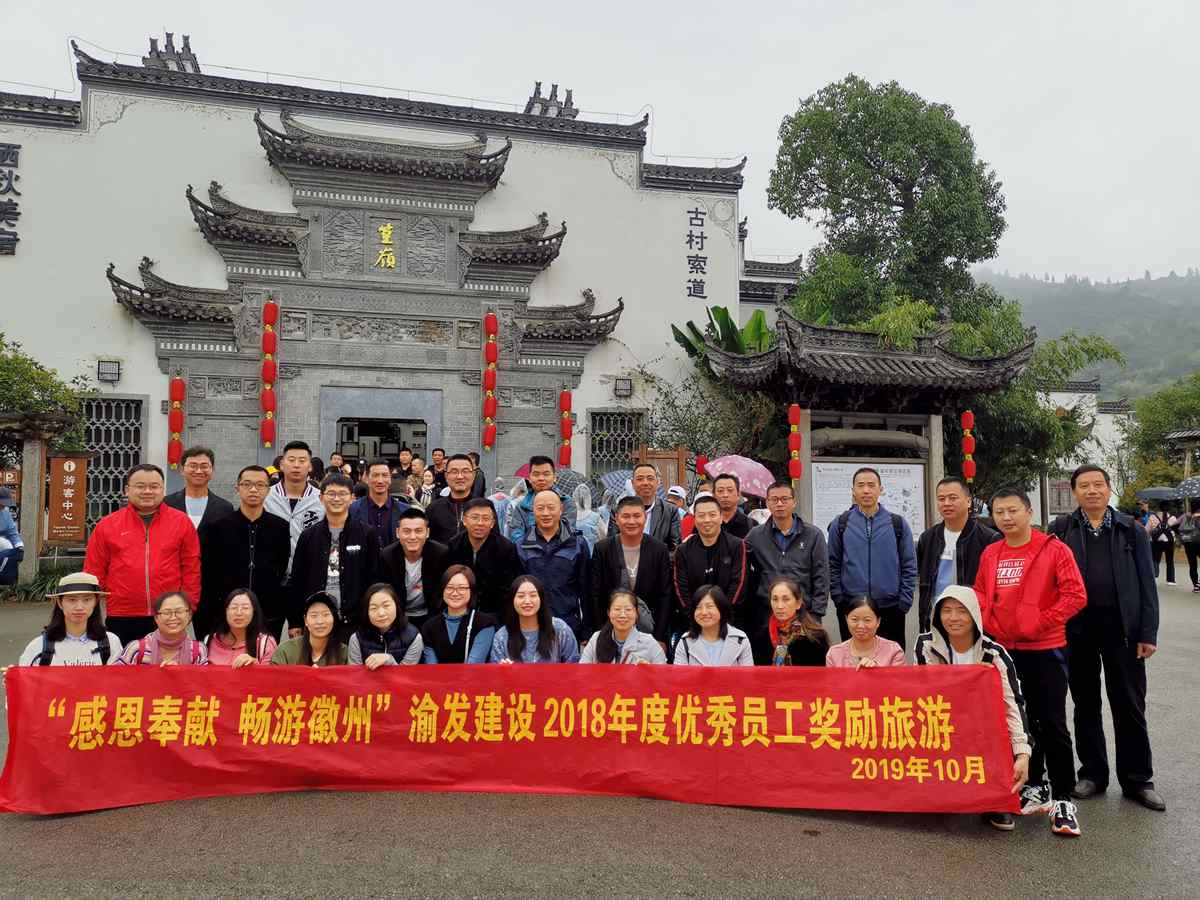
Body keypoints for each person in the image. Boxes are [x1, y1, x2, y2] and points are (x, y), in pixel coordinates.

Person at [1048, 465, 1165, 811]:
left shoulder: (1131, 529)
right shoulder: (1062, 529)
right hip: (1077, 632)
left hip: (1123, 632)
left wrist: (1148, 632)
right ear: (1074, 492)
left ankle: (1138, 779)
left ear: (1109, 488)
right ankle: (1093, 774)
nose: (1092, 491)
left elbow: (1147, 585)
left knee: (1129, 705)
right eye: (1084, 485)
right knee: (1085, 704)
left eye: (1098, 484)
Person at [974, 485, 1087, 837]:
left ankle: (1064, 796)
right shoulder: (991, 553)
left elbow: (1075, 595)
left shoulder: (1054, 549)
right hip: (1005, 650)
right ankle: (1034, 783)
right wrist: (989, 625)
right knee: (1019, 723)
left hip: (1046, 649)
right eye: (999, 512)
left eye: (1013, 510)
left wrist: (1039, 622)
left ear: (1028, 512)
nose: (1006, 518)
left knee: (1051, 721)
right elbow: (980, 593)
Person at [915, 585, 1032, 832]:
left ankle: (996, 799)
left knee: (1000, 728)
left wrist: (1022, 754)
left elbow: (1012, 704)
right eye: (946, 610)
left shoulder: (994, 653)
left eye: (962, 611)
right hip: (943, 722)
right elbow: (925, 691)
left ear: (974, 615)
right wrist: (971, 679)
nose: (953, 618)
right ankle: (938, 788)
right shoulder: (925, 645)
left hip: (981, 727)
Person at [83, 463, 200, 646]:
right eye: (140, 486)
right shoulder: (108, 525)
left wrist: (188, 606)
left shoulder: (181, 522)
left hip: (168, 613)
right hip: (122, 613)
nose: (147, 491)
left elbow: (191, 568)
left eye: (154, 486)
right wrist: (91, 610)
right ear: (127, 490)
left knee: (167, 662)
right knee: (123, 662)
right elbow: (94, 571)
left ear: (163, 490)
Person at [827, 467, 917, 647]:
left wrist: (904, 602)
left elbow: (909, 565)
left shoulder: (897, 524)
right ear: (853, 490)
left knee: (890, 659)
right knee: (853, 658)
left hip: (890, 608)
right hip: (852, 607)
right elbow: (832, 564)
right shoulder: (841, 523)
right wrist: (839, 599)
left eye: (871, 485)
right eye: (860, 485)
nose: (866, 490)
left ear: (880, 489)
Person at [204, 465, 292, 640]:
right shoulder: (218, 527)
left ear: (268, 490)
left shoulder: (280, 527)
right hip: (228, 612)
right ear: (237, 488)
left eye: (260, 485)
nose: (253, 489)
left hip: (268, 613)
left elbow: (281, 566)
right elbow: (210, 571)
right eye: (247, 484)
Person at [289, 473, 379, 638]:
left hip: (355, 620)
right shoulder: (309, 536)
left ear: (352, 498)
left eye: (342, 494)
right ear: (321, 498)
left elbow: (374, 578)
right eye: (331, 494)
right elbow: (297, 580)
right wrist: (295, 621)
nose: (336, 499)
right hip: (317, 618)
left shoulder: (366, 533)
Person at [916, 476, 1000, 633]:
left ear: (968, 501)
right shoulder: (927, 538)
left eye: (953, 498)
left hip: (973, 620)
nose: (946, 503)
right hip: (936, 619)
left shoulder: (988, 539)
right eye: (941, 499)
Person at [746, 480, 829, 636]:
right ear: (767, 503)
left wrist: (816, 613)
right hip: (767, 614)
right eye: (774, 499)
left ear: (794, 502)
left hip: (804, 612)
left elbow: (822, 576)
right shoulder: (755, 536)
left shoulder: (813, 535)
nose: (779, 504)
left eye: (785, 499)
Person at [589, 496, 672, 642]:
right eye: (626, 516)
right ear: (616, 518)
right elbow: (595, 594)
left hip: (648, 630)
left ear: (645, 517)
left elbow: (665, 595)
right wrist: (600, 633)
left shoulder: (659, 549)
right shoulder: (603, 549)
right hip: (611, 629)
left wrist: (660, 638)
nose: (632, 521)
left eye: (637, 516)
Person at [515, 489, 591, 639]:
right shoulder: (522, 545)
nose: (546, 513)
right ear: (533, 511)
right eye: (540, 508)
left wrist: (587, 629)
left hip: (569, 624)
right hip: (532, 624)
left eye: (551, 507)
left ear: (561, 509)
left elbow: (586, 589)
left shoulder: (577, 544)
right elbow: (516, 590)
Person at [673, 494, 749, 637]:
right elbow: (681, 589)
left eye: (712, 515)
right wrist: (696, 616)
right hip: (693, 623)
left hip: (730, 622)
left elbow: (739, 584)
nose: (707, 520)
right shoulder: (683, 550)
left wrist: (722, 615)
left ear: (720, 517)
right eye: (701, 516)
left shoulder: (737, 545)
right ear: (695, 520)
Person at [17, 572, 123, 666]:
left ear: (95, 602)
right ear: (60, 603)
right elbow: (25, 680)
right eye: (72, 600)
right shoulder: (38, 646)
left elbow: (118, 679)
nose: (79, 607)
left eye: (87, 599)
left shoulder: (111, 643)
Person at [444, 498, 521, 617]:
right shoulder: (454, 545)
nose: (480, 523)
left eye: (485, 518)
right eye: (475, 517)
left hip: (494, 611)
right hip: (460, 608)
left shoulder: (506, 548)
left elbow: (509, 587)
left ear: (492, 523)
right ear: (464, 520)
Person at [378, 507, 449, 632]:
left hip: (431, 614)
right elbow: (384, 593)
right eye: (406, 531)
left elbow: (441, 594)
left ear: (427, 532)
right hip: (398, 615)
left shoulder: (440, 554)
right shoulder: (387, 556)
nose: (412, 537)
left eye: (418, 531)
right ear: (397, 533)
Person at [264, 440, 325, 578]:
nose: (296, 465)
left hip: (309, 576)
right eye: (291, 460)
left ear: (310, 466)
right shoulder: (266, 496)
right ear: (281, 465)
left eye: (302, 461)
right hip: (270, 576)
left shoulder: (322, 499)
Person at [489, 575, 580, 663]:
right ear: (512, 600)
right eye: (521, 596)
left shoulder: (560, 629)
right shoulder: (501, 637)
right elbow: (494, 670)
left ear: (541, 599)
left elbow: (574, 665)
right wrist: (503, 669)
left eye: (533, 595)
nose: (527, 601)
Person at [421, 565, 498, 663]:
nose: (455, 593)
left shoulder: (484, 623)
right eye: (449, 587)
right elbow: (432, 667)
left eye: (461, 588)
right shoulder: (429, 627)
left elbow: (473, 666)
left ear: (471, 590)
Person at [114, 591, 208, 665]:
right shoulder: (136, 650)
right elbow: (116, 678)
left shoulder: (198, 651)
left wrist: (180, 673)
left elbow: (204, 681)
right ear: (156, 618)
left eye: (179, 611)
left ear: (189, 615)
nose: (173, 617)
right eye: (166, 612)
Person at [751, 578, 829, 666]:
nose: (779, 606)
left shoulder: (815, 637)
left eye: (786, 599)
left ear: (798, 603)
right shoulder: (761, 636)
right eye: (775, 599)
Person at [673, 584, 755, 666]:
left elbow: (747, 673)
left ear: (722, 609)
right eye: (698, 607)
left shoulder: (740, 639)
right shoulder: (685, 642)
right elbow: (679, 674)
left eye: (710, 606)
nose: (704, 612)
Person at [580, 589, 667, 664]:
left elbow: (662, 675)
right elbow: (583, 672)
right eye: (617, 609)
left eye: (628, 609)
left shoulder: (650, 644)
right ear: (609, 613)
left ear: (636, 613)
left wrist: (649, 671)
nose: (622, 615)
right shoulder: (596, 639)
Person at [347, 582, 423, 667]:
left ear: (396, 605)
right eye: (374, 608)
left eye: (386, 605)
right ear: (366, 612)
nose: (381, 613)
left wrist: (389, 660)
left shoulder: (413, 637)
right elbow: (355, 673)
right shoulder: (356, 639)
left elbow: (407, 673)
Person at [164, 446, 234, 531]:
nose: (199, 471)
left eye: (204, 466)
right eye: (193, 466)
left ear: (212, 470)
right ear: (182, 470)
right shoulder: (167, 504)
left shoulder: (225, 508)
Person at [507, 455, 573, 544]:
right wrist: (530, 548)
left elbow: (569, 531)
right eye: (536, 474)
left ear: (554, 477)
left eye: (546, 474)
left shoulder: (566, 502)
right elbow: (516, 534)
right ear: (529, 478)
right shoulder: (521, 507)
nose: (541, 478)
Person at [349, 458, 410, 552]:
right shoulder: (353, 510)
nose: (380, 480)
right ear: (366, 478)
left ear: (390, 479)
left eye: (385, 475)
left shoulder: (405, 511)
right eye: (375, 475)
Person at [825, 596, 905, 668]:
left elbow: (899, 679)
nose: (860, 626)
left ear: (878, 621)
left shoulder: (893, 650)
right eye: (854, 619)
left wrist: (877, 671)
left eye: (867, 620)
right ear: (846, 619)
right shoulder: (834, 654)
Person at [204, 588, 278, 667]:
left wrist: (255, 663)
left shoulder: (265, 643)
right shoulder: (210, 640)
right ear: (226, 611)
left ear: (254, 612)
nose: (239, 613)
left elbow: (272, 673)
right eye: (234, 607)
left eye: (245, 608)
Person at [270, 592, 348, 666]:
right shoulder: (285, 651)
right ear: (305, 620)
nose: (320, 621)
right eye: (314, 615)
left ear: (334, 619)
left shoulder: (344, 653)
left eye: (326, 615)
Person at [630, 462, 682, 552]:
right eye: (640, 479)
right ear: (632, 483)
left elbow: (675, 548)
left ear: (657, 482)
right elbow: (613, 547)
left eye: (650, 478)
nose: (645, 483)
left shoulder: (670, 511)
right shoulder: (620, 510)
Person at [426, 453, 476, 544]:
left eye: (465, 471)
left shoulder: (484, 507)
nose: (460, 476)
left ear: (473, 474)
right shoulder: (433, 508)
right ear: (446, 475)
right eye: (454, 472)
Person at [712, 473, 751, 539]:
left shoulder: (751, 525)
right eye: (720, 491)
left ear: (738, 494)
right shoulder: (705, 524)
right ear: (713, 495)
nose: (725, 495)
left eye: (730, 490)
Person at [1146, 505, 1177, 585]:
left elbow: (1147, 530)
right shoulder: (1173, 518)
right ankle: (1171, 580)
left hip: (1156, 542)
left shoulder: (1152, 517)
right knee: (1170, 561)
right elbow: (1176, 530)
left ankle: (1155, 576)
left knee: (1155, 560)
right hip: (1169, 542)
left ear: (1159, 508)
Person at [0, 486, 24, 586]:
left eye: (5, 504)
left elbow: (12, 533)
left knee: (9, 547)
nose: (3, 506)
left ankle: (6, 581)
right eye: (2, 503)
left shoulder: (5, 512)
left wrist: (20, 546)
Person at [573, 483, 602, 552]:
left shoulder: (569, 517)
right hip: (592, 555)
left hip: (575, 556)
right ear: (589, 497)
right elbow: (603, 537)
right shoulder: (595, 517)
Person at [1180, 508, 1200, 592]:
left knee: (1192, 565)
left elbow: (1175, 526)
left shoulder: (1185, 516)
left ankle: (1196, 586)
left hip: (1188, 543)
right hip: (1198, 542)